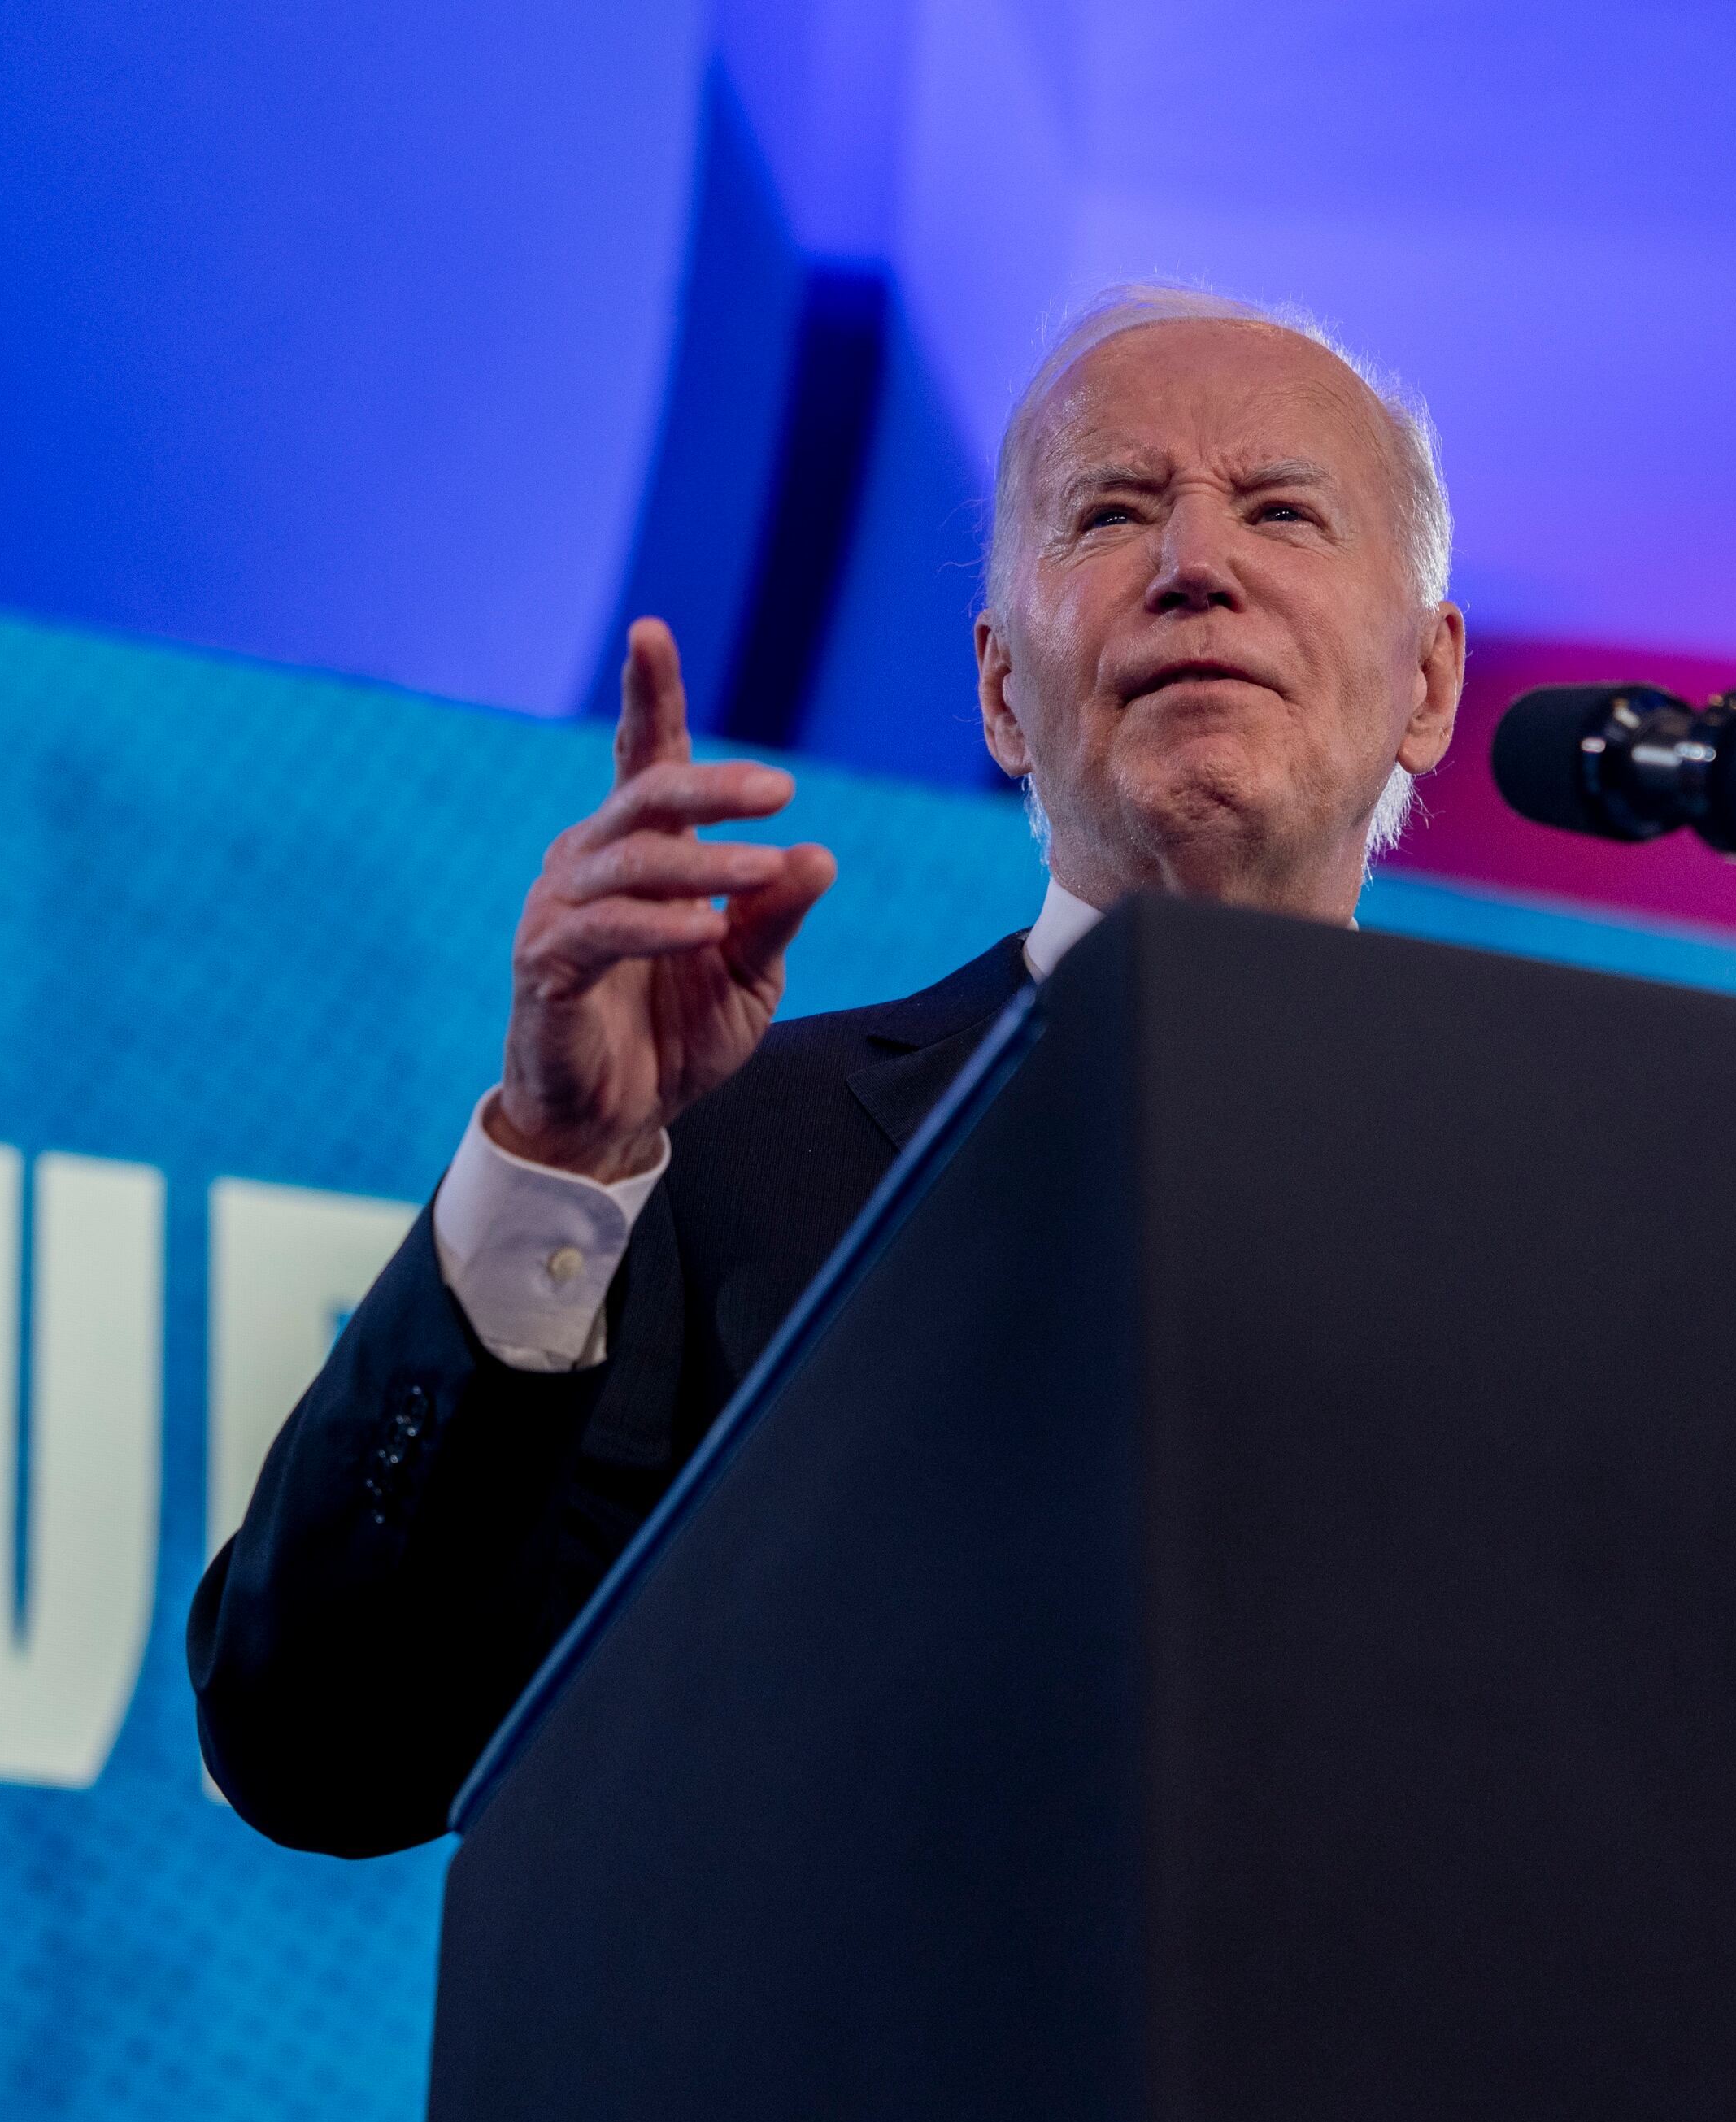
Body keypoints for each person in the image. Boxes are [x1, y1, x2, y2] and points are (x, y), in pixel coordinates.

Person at [189, 285, 1468, 1855]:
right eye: (1114, 512)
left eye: (1279, 509)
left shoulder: (1568, 1199)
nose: (1196, 565)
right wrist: (553, 1159)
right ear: (1003, 689)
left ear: (1427, 684)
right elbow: (328, 1742)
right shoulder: (728, 1156)